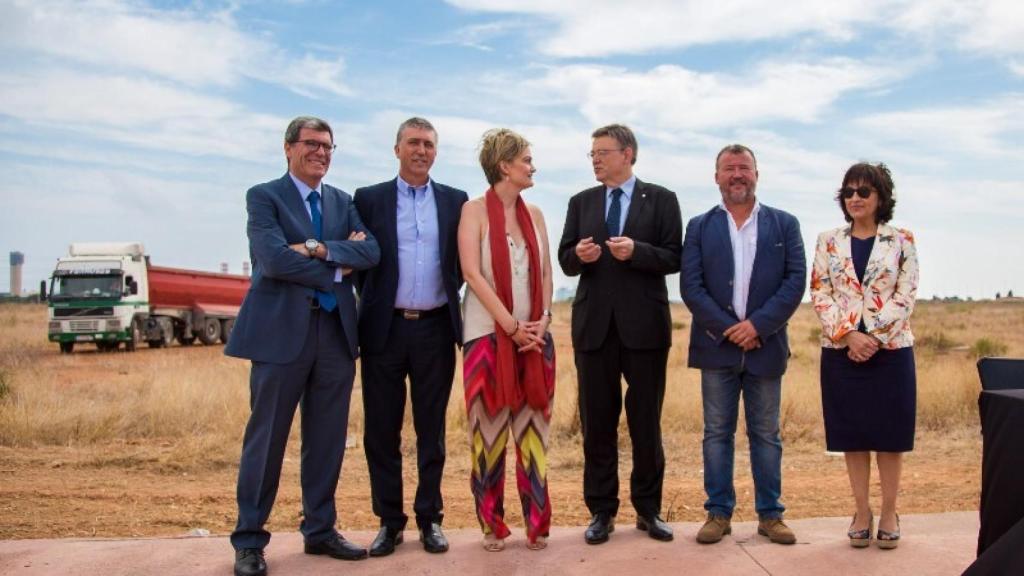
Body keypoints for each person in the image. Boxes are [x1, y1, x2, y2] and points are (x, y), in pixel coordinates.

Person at [226, 116, 380, 576]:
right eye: (312, 144)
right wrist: (335, 260)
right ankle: (250, 540)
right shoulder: (264, 196)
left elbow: (370, 252)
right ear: (288, 148)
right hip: (279, 337)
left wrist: (312, 248)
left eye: (329, 146)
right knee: (266, 440)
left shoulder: (342, 201)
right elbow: (272, 260)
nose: (322, 153)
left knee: (327, 440)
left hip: (334, 336)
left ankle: (319, 530)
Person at [558, 124, 682, 545]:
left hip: (645, 329)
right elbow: (565, 260)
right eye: (591, 153)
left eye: (602, 152)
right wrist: (578, 254)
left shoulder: (662, 199)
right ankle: (601, 511)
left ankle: (648, 510)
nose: (595, 159)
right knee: (597, 425)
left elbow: (674, 256)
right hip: (594, 329)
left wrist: (638, 252)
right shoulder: (580, 202)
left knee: (646, 422)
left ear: (627, 154)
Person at [353, 117, 469, 557]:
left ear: (436, 152)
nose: (421, 150)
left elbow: (463, 259)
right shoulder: (368, 199)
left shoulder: (454, 201)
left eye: (429, 144)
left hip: (437, 328)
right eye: (413, 143)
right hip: (384, 328)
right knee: (381, 431)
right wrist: (380, 302)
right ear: (397, 148)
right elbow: (360, 260)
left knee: (431, 430)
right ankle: (389, 522)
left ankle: (430, 519)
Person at [680, 144, 805, 546]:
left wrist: (758, 327)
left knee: (766, 435)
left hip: (765, 348)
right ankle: (718, 514)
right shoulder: (699, 227)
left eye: (744, 167)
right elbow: (691, 287)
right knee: (717, 433)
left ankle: (771, 515)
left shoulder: (784, 224)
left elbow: (794, 283)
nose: (737, 174)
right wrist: (730, 329)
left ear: (757, 174)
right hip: (717, 348)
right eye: (729, 168)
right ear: (716, 176)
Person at [810, 162, 918, 550]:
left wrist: (870, 337)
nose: (855, 198)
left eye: (863, 192)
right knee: (852, 435)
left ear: (880, 198)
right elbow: (820, 293)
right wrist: (849, 336)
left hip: (890, 351)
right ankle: (861, 511)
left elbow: (906, 294)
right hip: (842, 351)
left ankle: (889, 512)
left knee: (889, 437)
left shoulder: (902, 239)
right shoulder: (828, 240)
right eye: (849, 192)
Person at [458, 128, 555, 551]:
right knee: (490, 436)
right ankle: (491, 524)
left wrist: (543, 321)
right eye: (527, 160)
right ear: (504, 166)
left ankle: (537, 522)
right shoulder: (473, 211)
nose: (533, 166)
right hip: (486, 337)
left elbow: (547, 272)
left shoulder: (535, 213)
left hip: (535, 339)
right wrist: (510, 327)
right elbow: (471, 274)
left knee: (534, 434)